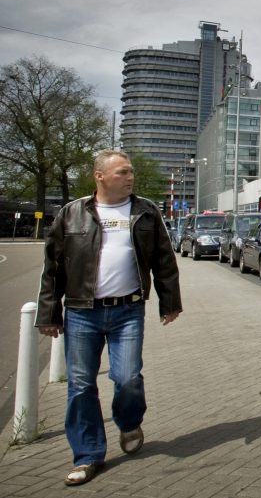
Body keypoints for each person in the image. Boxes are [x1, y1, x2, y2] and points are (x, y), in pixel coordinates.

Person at [36, 150, 183, 486]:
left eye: (131, 172)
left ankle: (129, 420)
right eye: (122, 172)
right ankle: (88, 456)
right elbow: (53, 267)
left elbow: (164, 259)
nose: (130, 177)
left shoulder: (146, 211)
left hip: (128, 309)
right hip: (81, 312)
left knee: (127, 376)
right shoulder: (72, 214)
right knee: (81, 386)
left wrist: (169, 301)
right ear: (99, 176)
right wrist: (49, 311)